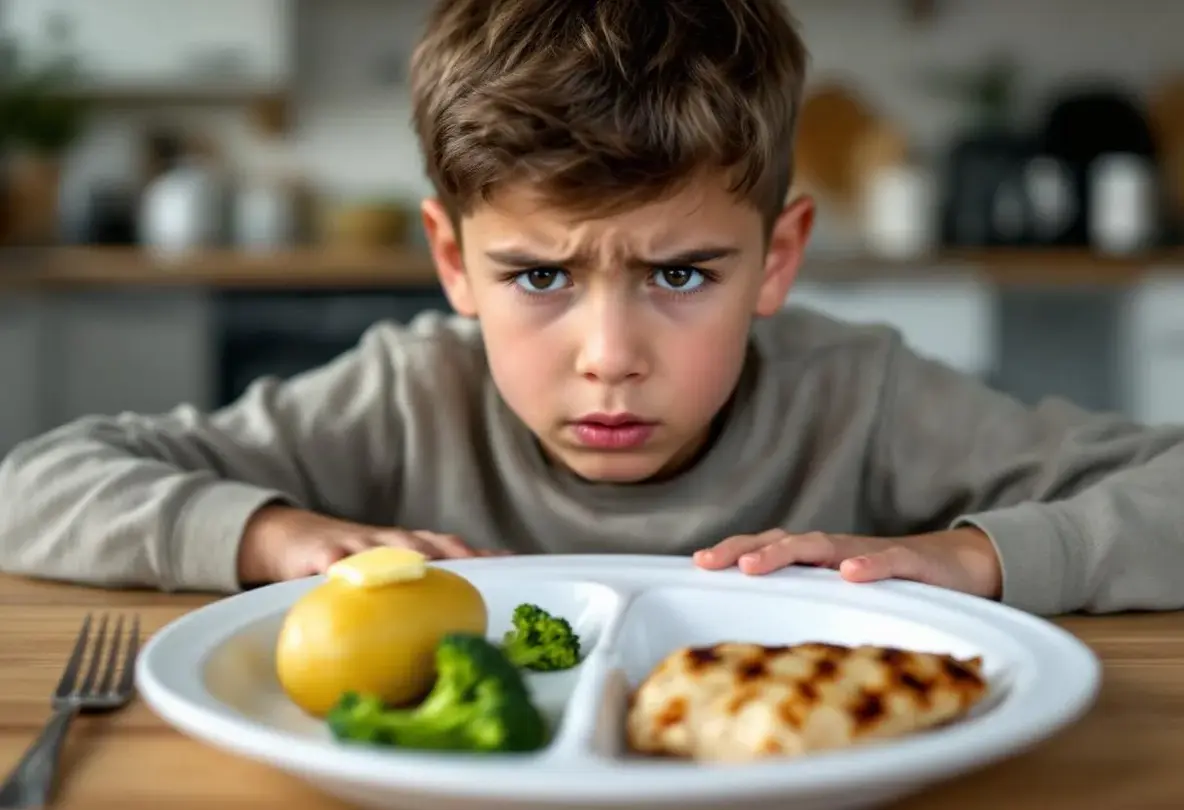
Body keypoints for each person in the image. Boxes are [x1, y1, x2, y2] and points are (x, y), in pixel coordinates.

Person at [2, 0, 1183, 618]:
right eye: (538, 277)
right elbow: (33, 488)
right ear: (450, 260)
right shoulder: (405, 393)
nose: (608, 360)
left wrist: (974, 557)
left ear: (777, 258)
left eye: (680, 275)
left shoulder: (859, 395)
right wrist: (273, 538)